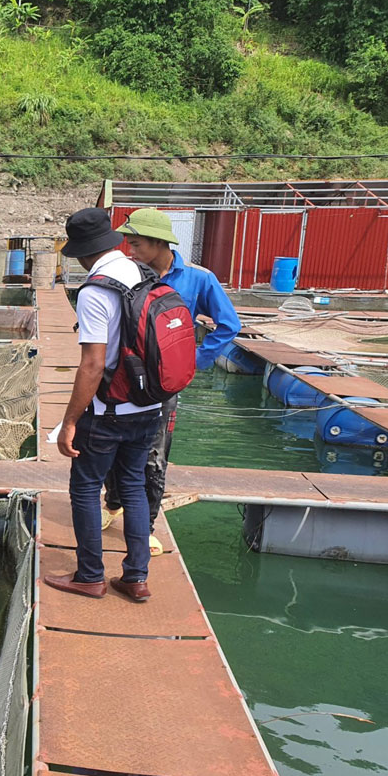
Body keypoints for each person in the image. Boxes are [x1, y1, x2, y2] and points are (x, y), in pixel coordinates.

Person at [103, 208, 243, 553]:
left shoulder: (198, 278)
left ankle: (146, 523)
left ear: (157, 242)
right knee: (111, 440)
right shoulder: (126, 274)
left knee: (154, 453)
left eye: (135, 244)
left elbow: (228, 325)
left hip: (163, 385)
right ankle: (113, 503)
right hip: (124, 376)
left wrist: (192, 362)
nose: (129, 250)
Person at [44, 208, 162, 603]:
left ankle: (91, 575)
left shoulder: (96, 290)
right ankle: (136, 578)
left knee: (85, 488)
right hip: (149, 405)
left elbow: (93, 363)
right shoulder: (143, 273)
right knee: (132, 486)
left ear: (81, 253)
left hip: (109, 410)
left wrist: (69, 422)